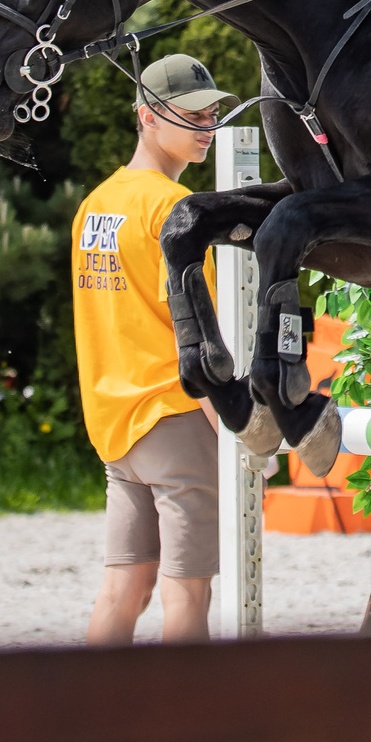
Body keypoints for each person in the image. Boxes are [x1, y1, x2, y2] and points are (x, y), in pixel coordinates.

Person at [72, 52, 240, 646]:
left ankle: (86, 720)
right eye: (192, 114)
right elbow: (200, 336)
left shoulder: (95, 204)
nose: (207, 125)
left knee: (125, 585)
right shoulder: (175, 210)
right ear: (146, 117)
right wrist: (236, 433)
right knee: (187, 591)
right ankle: (183, 728)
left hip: (117, 425)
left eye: (212, 111)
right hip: (176, 417)